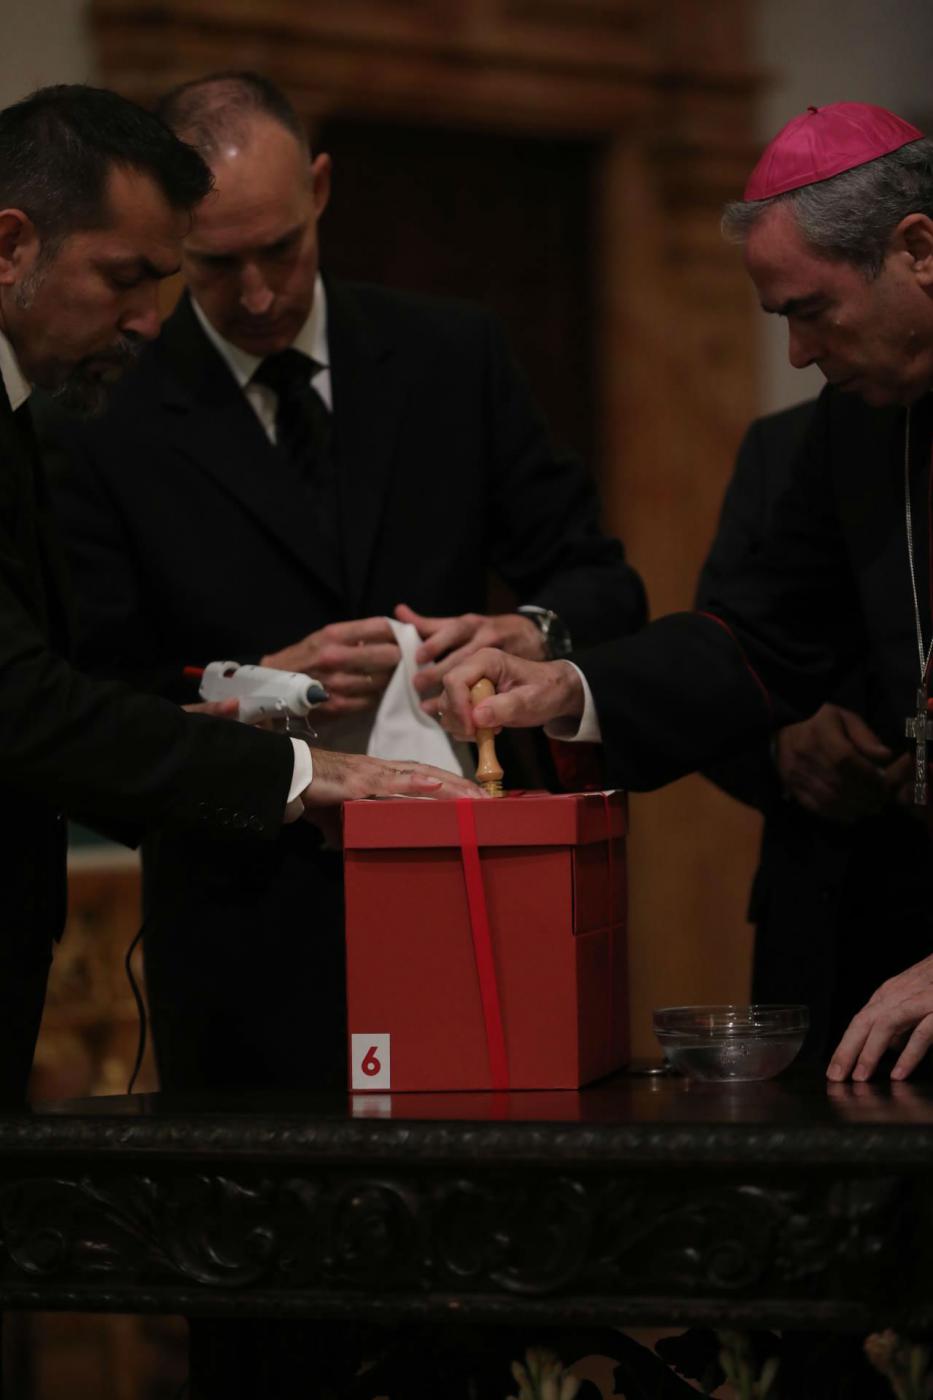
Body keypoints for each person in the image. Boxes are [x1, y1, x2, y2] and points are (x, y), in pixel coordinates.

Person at [41, 71, 645, 1097]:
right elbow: (94, 701)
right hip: (244, 925)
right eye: (218, 264)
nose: (262, 293)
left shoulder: (451, 352)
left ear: (320, 187)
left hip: (471, 889)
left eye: (281, 247)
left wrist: (519, 632)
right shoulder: (104, 413)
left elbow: (600, 581)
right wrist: (267, 684)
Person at [0, 81, 476, 1116]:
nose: (146, 319)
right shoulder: (67, 426)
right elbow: (29, 702)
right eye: (128, 277)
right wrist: (299, 769)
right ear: (11, 245)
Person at [440, 101, 933, 1084]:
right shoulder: (857, 430)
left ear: (918, 248)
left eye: (810, 309)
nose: (795, 356)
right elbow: (753, 641)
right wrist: (571, 685)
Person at [696, 399, 930, 1065]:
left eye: (810, 311)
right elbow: (726, 663)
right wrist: (781, 744)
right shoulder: (789, 442)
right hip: (823, 903)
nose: (798, 353)